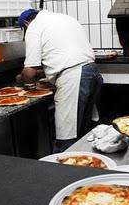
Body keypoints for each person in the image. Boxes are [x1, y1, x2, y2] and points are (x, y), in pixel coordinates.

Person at [16, 9, 103, 153]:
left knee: (66, 139)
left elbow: (29, 72)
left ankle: (62, 174)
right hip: (92, 72)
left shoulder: (34, 27)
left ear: (26, 23)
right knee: (83, 134)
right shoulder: (65, 18)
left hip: (73, 78)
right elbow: (64, 57)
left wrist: (21, 79)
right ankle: (85, 170)